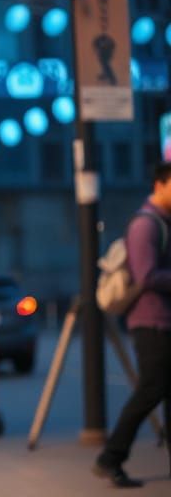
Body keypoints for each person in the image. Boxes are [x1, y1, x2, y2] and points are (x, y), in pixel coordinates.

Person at [94, 162, 171, 488]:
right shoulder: (146, 225)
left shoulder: (163, 222)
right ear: (160, 184)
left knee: (161, 391)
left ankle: (112, 456)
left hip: (164, 322)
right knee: (151, 390)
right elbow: (145, 275)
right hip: (151, 322)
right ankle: (111, 456)